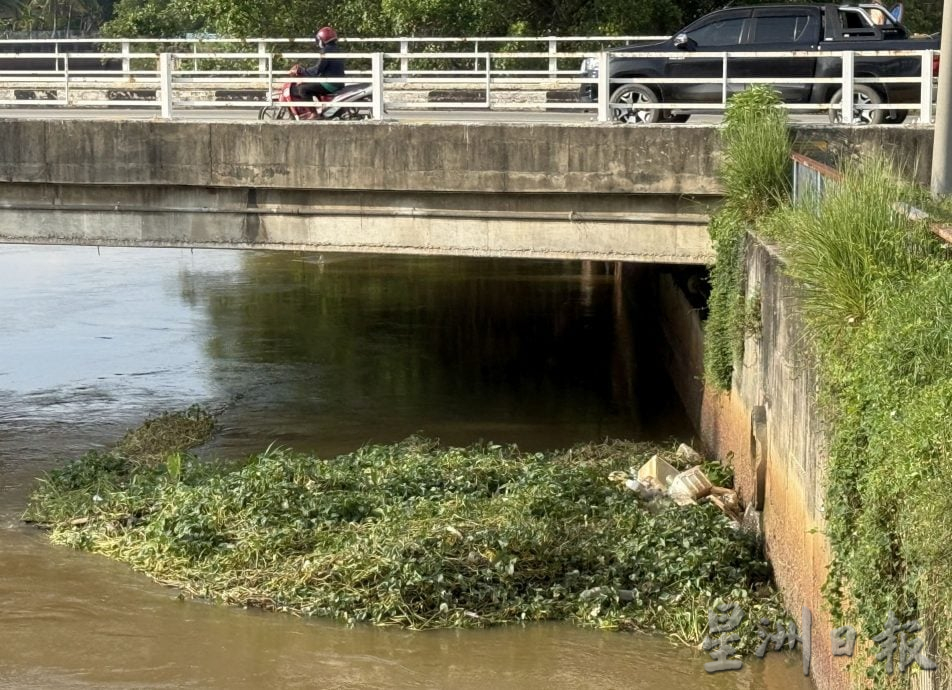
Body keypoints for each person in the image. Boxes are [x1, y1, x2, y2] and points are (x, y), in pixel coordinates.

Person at [295, 26, 346, 103]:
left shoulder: (326, 51)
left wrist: (302, 70)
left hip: (330, 84)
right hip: (339, 83)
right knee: (311, 85)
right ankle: (320, 107)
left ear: (322, 40)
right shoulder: (337, 49)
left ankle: (313, 113)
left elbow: (317, 70)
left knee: (302, 89)